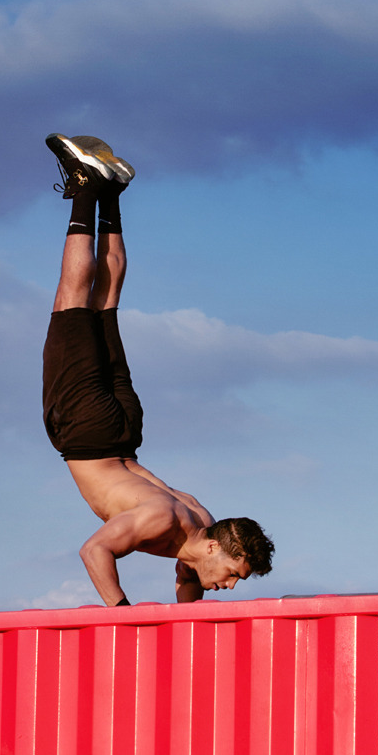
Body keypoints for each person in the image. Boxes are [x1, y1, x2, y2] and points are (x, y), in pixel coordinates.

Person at [42, 134, 274, 606]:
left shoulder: (197, 520)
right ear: (214, 545)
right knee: (76, 302)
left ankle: (111, 194)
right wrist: (123, 617)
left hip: (123, 431)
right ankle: (88, 187)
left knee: (106, 306)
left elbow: (189, 579)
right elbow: (94, 551)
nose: (228, 585)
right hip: (92, 432)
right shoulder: (163, 522)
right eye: (232, 573)